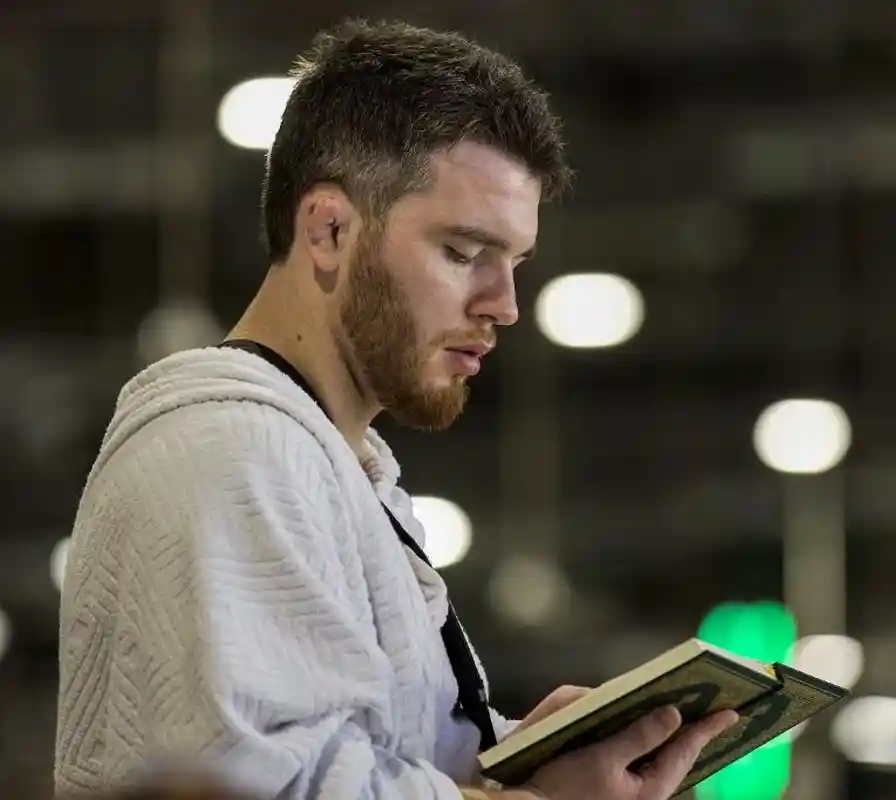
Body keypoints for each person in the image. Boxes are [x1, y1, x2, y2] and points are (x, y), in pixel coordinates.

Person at [54, 17, 736, 800]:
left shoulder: (333, 469)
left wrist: (511, 758)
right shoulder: (232, 451)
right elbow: (260, 789)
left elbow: (357, 762)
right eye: (463, 253)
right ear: (329, 229)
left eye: (514, 263)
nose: (505, 304)